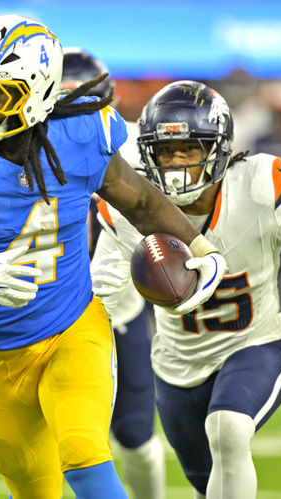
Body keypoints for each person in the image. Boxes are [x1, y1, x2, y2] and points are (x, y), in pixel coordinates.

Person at [0, 14, 226, 499]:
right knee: (33, 489)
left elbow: (142, 202)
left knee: (85, 454)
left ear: (37, 91)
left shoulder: (79, 135)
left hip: (73, 329)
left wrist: (202, 248)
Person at [91, 80, 281, 498]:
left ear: (218, 150)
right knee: (209, 486)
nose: (177, 163)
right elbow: (101, 299)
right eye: (166, 152)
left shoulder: (257, 187)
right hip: (175, 367)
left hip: (256, 346)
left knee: (229, 427)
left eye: (189, 149)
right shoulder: (129, 208)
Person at [61, 47, 166, 499]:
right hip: (52, 315)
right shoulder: (23, 145)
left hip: (118, 312)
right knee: (55, 446)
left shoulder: (131, 142)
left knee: (135, 439)